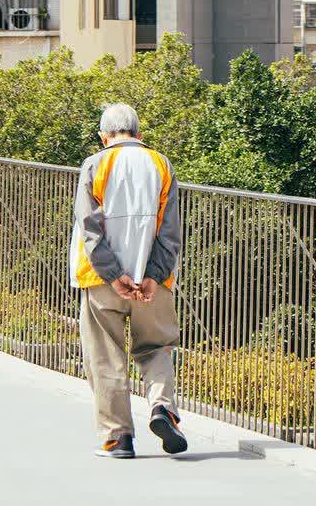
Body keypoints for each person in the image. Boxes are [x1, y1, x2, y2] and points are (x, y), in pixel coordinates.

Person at [69, 102, 187, 460]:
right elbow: (170, 230)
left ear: (103, 136)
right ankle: (162, 408)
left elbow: (90, 229)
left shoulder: (95, 164)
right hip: (154, 282)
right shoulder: (160, 163)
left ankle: (117, 438)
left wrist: (114, 274)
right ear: (139, 134)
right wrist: (153, 276)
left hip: (103, 280)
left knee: (105, 355)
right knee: (157, 346)